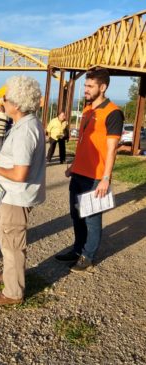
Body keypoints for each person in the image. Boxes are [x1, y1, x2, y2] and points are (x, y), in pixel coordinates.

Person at [56, 67, 124, 273]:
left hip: (96, 177)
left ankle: (88, 256)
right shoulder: (87, 109)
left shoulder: (113, 112)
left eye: (90, 86)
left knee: (92, 219)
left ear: (102, 87)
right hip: (79, 173)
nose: (85, 89)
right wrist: (73, 165)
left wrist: (106, 178)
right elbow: (85, 143)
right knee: (76, 215)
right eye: (85, 85)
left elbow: (111, 149)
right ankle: (78, 249)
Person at [0, 76, 46, 305]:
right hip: (14, 196)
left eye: (6, 98)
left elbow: (21, 174)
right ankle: (11, 276)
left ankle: (13, 292)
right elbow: (19, 160)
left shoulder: (24, 130)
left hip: (16, 197)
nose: (3, 102)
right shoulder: (27, 123)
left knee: (12, 244)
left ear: (17, 104)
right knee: (9, 240)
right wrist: (1, 159)